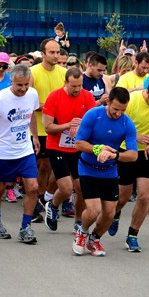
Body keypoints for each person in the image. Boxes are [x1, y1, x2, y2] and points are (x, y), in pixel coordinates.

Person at [71, 87, 139, 257]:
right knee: (93, 210)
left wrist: (114, 154)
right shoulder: (93, 115)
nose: (118, 113)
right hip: (87, 168)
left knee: (109, 212)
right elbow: (79, 144)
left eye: (122, 110)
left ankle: (95, 239)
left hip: (109, 171)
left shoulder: (127, 123)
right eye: (116, 109)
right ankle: (82, 232)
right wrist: (98, 149)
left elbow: (133, 155)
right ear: (108, 102)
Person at [0, 64, 41, 244]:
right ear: (11, 80)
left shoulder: (32, 94)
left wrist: (34, 136)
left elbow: (33, 116)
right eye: (19, 85)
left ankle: (26, 227)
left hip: (24, 150)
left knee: (33, 187)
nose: (22, 89)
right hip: (3, 152)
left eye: (26, 85)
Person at [109, 80, 149, 251]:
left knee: (144, 196)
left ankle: (132, 235)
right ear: (147, 94)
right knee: (123, 196)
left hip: (148, 154)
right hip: (127, 152)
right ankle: (115, 214)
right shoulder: (132, 101)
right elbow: (116, 128)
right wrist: (135, 137)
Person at [42, 67, 96, 233]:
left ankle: (79, 221)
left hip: (78, 147)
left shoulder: (87, 96)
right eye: (73, 86)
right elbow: (48, 127)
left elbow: (93, 122)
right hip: (57, 147)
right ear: (65, 83)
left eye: (80, 85)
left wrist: (80, 126)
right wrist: (68, 125)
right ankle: (53, 205)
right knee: (66, 189)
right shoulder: (54, 97)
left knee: (80, 188)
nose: (77, 89)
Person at [30, 38, 67, 219]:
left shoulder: (63, 73)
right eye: (51, 52)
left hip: (60, 128)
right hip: (39, 128)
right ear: (42, 54)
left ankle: (48, 198)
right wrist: (48, 108)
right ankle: (38, 200)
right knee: (43, 166)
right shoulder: (32, 72)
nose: (55, 55)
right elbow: (28, 102)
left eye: (57, 52)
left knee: (56, 167)